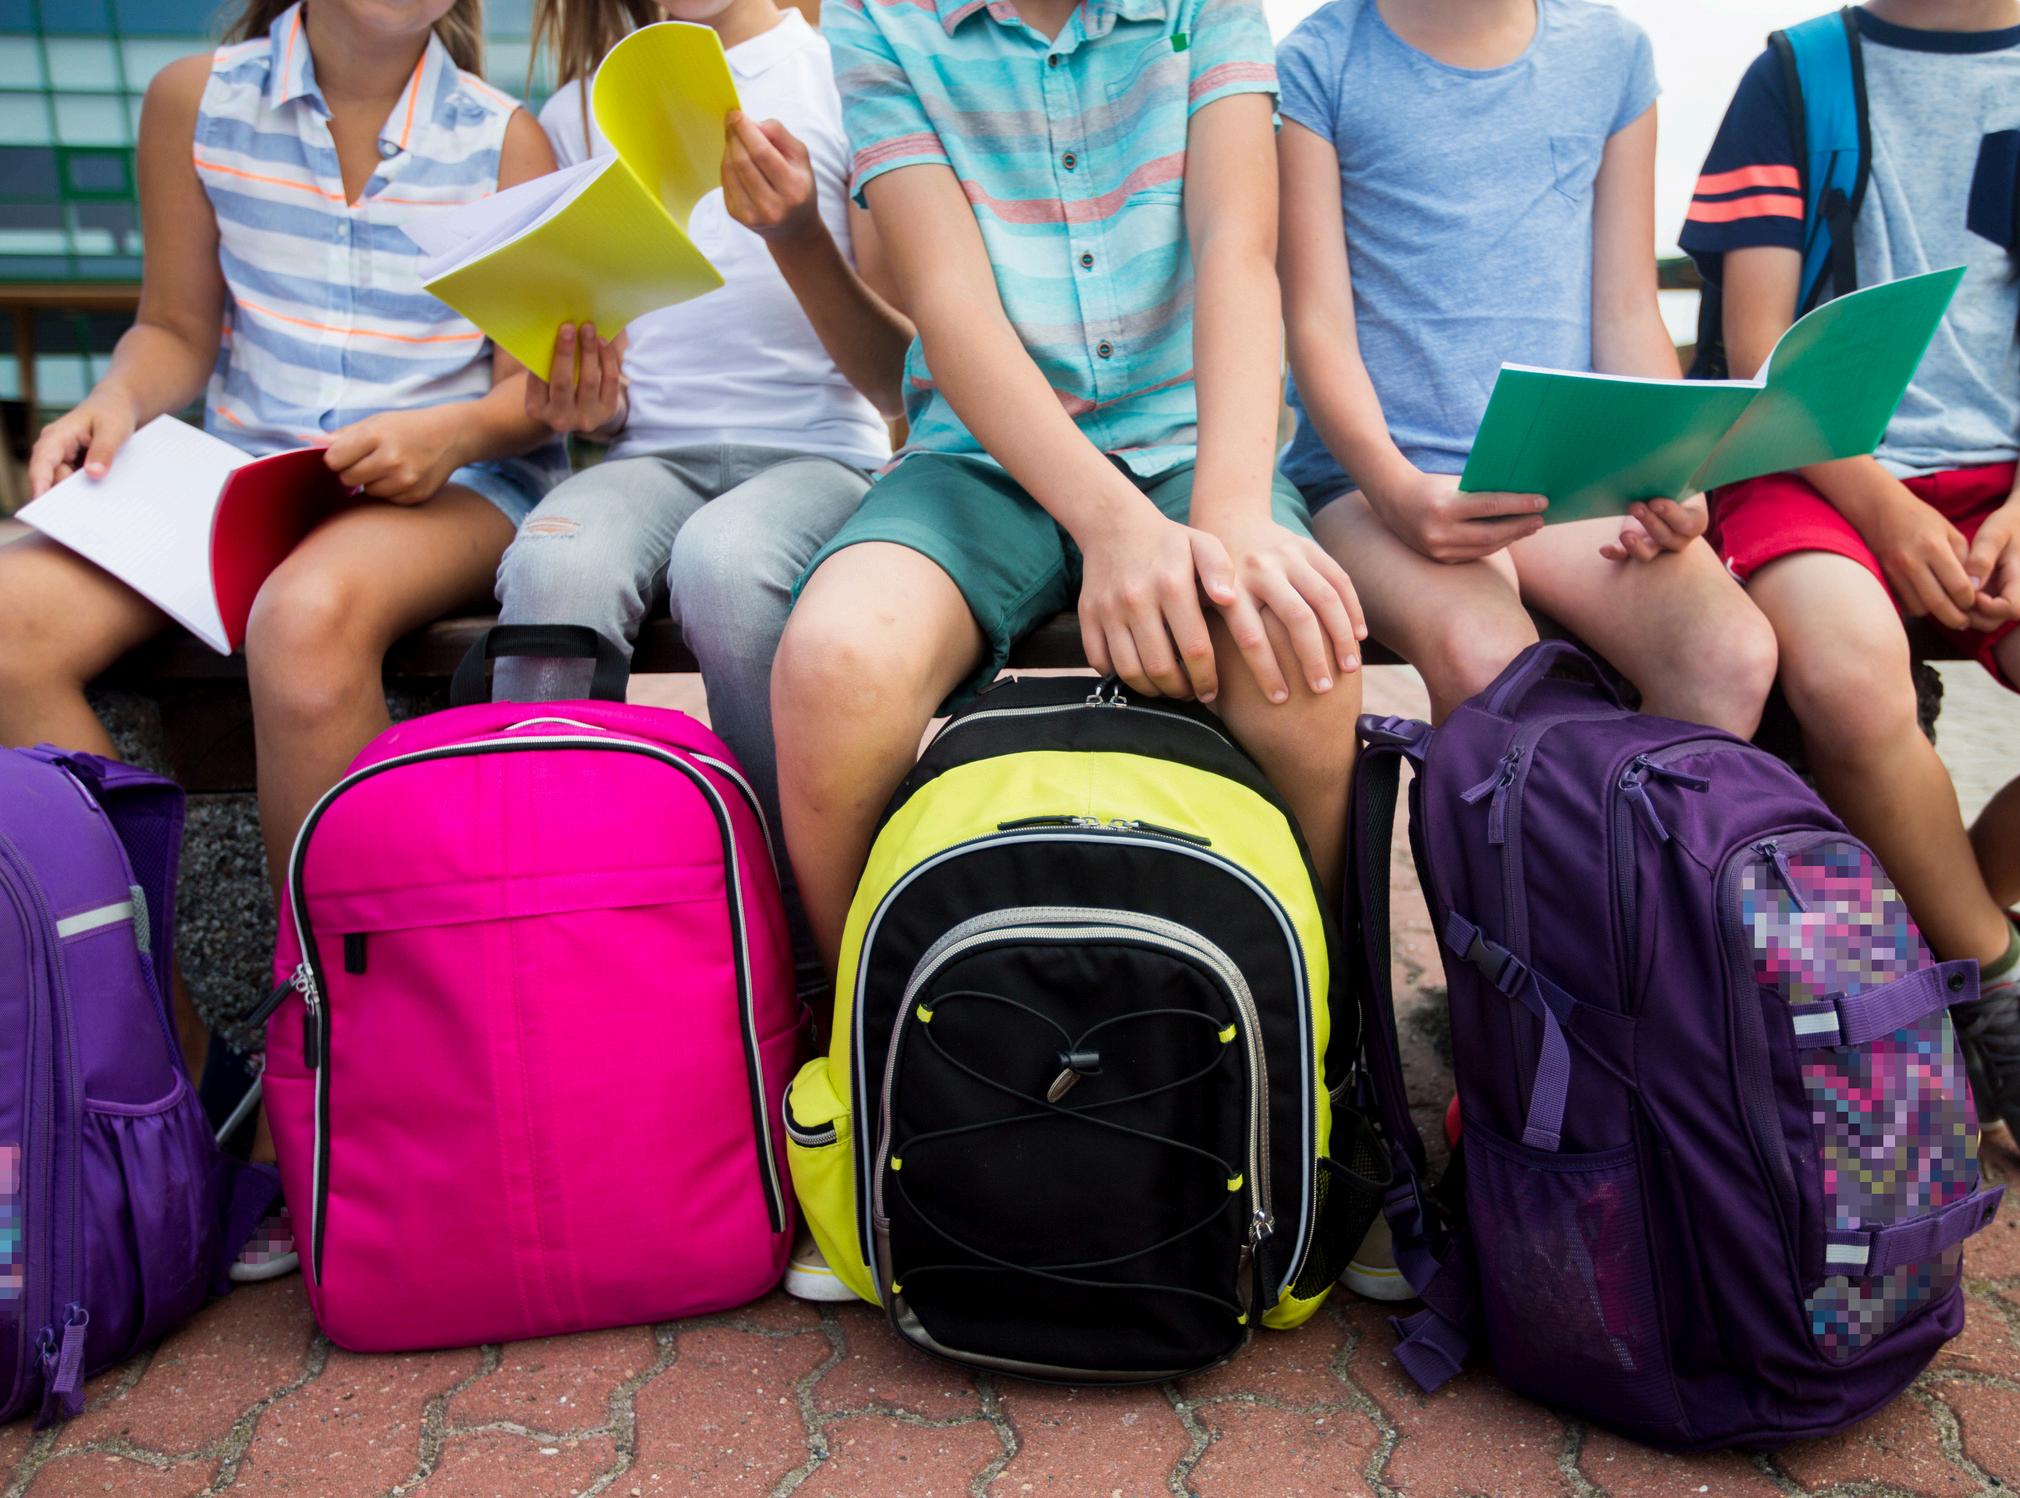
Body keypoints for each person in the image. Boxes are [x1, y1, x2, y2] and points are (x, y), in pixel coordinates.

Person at [770, 0, 1369, 1286]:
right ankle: (863, 1060)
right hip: (977, 455)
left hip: (1193, 444)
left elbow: (1236, 247)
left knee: (1294, 654)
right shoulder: (880, 21)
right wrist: (1108, 527)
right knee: (833, 666)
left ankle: (1313, 1069)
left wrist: (1225, 512)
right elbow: (946, 299)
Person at [0, 0, 564, 1276]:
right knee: (8, 622)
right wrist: (111, 403)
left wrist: (448, 435)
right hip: (245, 481)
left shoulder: (504, 139)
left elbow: (534, 393)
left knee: (301, 624)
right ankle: (176, 1057)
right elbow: (174, 332)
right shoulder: (194, 101)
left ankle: (330, 1074)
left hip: (444, 490)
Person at [1683, 0, 2020, 1177]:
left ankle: (1918, 940)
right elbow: (1758, 350)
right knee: (1842, 679)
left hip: (2006, 485)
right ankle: (1991, 971)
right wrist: (1882, 506)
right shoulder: (1794, 73)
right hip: (1805, 465)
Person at [494, 0, 911, 1039]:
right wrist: (583, 398)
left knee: (726, 568)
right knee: (551, 566)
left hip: (820, 452)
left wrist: (797, 232)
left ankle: (804, 964)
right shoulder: (578, 113)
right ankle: (551, 942)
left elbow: (900, 374)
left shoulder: (850, 75)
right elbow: (598, 396)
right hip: (646, 456)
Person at [1276, 0, 1778, 734]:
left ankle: (1635, 813)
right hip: (1375, 485)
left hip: (1567, 482)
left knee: (1727, 655)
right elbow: (1316, 323)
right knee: (1490, 659)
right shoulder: (1315, 62)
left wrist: (1671, 470)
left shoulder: (1613, 52)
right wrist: (1397, 492)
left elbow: (1626, 308)